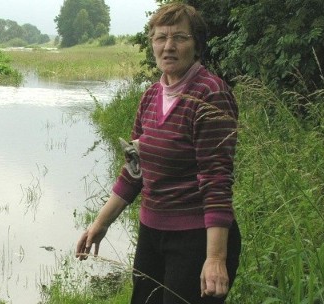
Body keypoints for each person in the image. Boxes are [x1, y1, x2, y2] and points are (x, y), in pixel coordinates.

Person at [75, 3, 241, 304]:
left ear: (197, 44)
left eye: (180, 37)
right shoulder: (151, 96)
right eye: (160, 37)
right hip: (152, 234)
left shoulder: (210, 95)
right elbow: (134, 171)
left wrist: (215, 258)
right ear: (151, 43)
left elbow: (216, 181)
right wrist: (100, 224)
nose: (168, 46)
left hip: (195, 238)